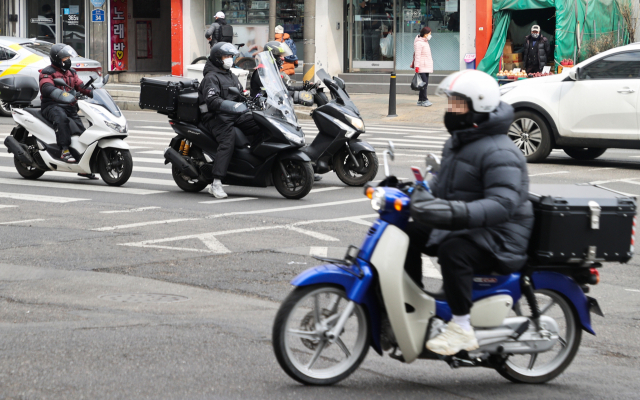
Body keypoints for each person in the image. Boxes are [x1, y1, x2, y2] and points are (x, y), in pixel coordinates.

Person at [402, 69, 534, 356]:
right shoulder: (460, 142)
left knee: (454, 251)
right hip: (472, 224)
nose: (451, 110)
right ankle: (410, 305)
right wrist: (414, 191)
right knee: (406, 232)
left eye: (457, 104)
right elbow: (442, 184)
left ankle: (461, 327)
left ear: (480, 105)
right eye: (450, 103)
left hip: (501, 235)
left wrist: (454, 212)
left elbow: (503, 204)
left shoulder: (500, 151)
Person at [199, 42, 260, 199]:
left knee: (260, 124)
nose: (230, 59)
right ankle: (216, 183)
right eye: (227, 56)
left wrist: (254, 100)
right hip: (216, 117)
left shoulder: (230, 74)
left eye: (231, 56)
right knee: (228, 141)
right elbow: (212, 101)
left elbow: (241, 93)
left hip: (235, 114)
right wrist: (233, 105)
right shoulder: (211, 77)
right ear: (218, 59)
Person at [39, 43, 93, 168]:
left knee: (80, 129)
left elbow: (80, 86)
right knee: (61, 118)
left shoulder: (71, 72)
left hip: (69, 105)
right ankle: (64, 150)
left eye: (68, 58)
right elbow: (46, 87)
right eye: (65, 59)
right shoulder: (47, 72)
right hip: (51, 105)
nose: (68, 61)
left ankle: (83, 162)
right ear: (57, 59)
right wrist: (63, 95)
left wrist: (93, 92)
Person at [414, 26, 433, 107]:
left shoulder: (425, 42)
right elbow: (417, 56)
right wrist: (417, 66)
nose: (430, 35)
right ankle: (424, 99)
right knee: (424, 84)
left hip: (426, 66)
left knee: (424, 84)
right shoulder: (419, 43)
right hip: (422, 66)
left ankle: (420, 100)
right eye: (429, 34)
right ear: (425, 34)